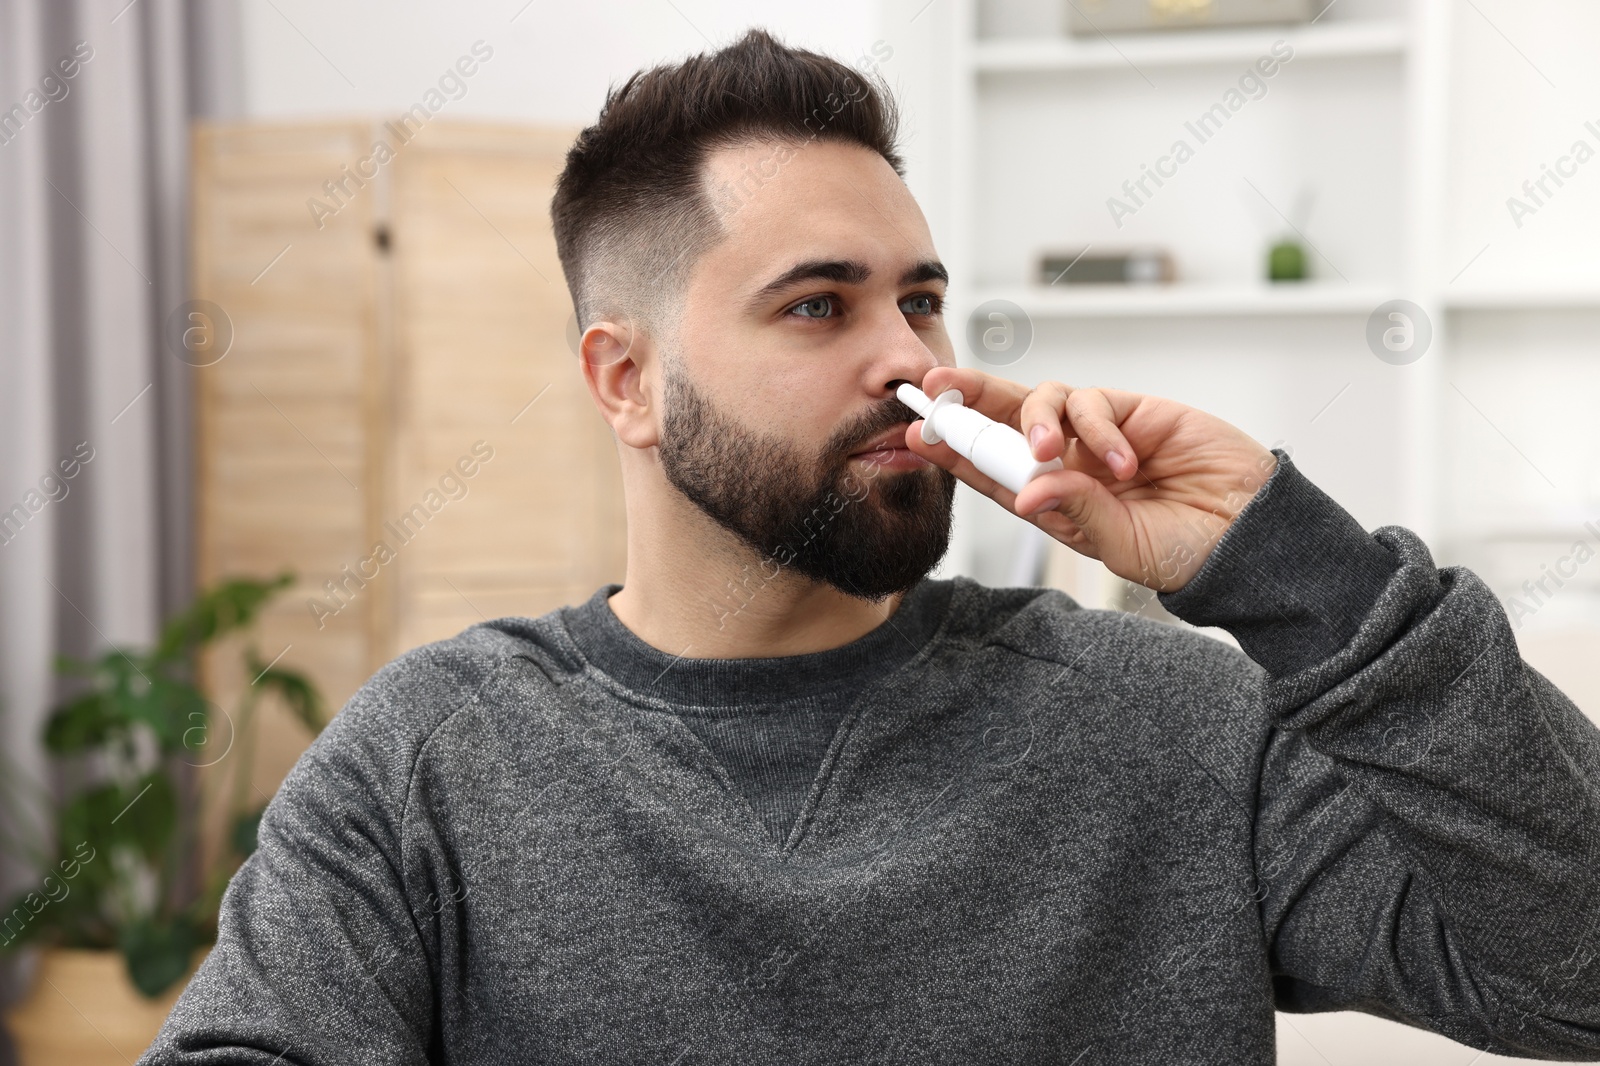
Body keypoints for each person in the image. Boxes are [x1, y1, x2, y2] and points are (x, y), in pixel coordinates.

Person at [140, 28, 1600, 1065]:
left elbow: (1579, 977)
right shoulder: (434, 762)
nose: (918, 368)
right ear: (624, 379)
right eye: (819, 305)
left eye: (923, 300)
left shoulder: (1175, 724)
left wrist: (1294, 567)